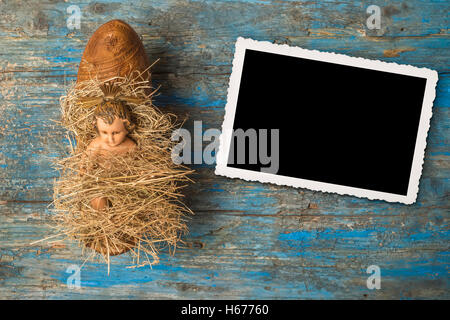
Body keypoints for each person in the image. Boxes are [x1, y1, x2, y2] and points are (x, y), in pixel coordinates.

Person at [85, 99, 137, 211]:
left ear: (127, 127)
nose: (110, 139)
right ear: (96, 127)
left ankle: (121, 217)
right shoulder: (97, 145)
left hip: (124, 184)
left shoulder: (129, 146)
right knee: (97, 197)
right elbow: (85, 165)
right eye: (104, 132)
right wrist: (86, 173)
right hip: (101, 182)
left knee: (130, 200)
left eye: (116, 133)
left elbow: (138, 164)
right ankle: (105, 219)